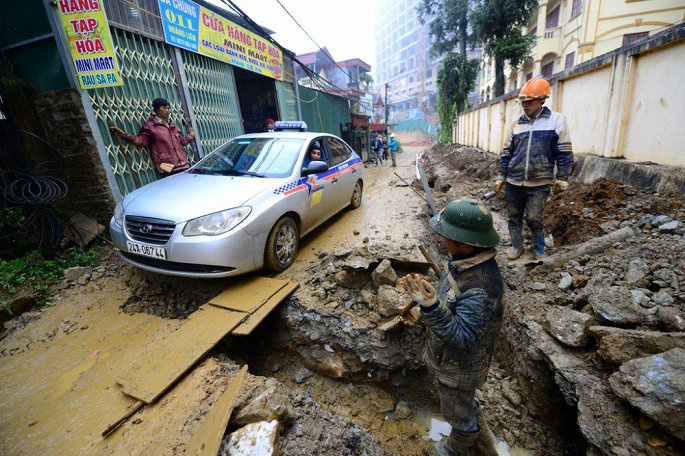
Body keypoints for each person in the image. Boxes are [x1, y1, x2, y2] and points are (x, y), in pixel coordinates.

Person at [399, 199, 503, 456]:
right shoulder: (462, 260)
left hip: (459, 368)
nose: (443, 239)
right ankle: (486, 447)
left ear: (465, 240)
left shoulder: (482, 288)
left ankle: (454, 449)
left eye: (447, 235)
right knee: (462, 406)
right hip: (448, 359)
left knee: (457, 415)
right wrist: (424, 310)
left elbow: (464, 339)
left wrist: (431, 307)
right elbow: (450, 303)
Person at [495, 77, 574, 260]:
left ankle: (539, 250)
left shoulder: (556, 121)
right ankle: (517, 247)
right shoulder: (516, 125)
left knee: (533, 218)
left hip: (540, 182)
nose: (525, 105)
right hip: (514, 181)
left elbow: (564, 152)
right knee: (513, 217)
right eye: (523, 101)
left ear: (542, 100)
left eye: (530, 101)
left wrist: (563, 177)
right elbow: (506, 153)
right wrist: (500, 176)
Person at [109, 98, 195, 178]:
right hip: (168, 168)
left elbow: (180, 142)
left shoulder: (173, 125)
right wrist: (124, 135)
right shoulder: (150, 126)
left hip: (184, 165)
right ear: (157, 110)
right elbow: (141, 141)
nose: (167, 110)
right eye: (164, 108)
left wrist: (191, 135)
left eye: (168, 108)